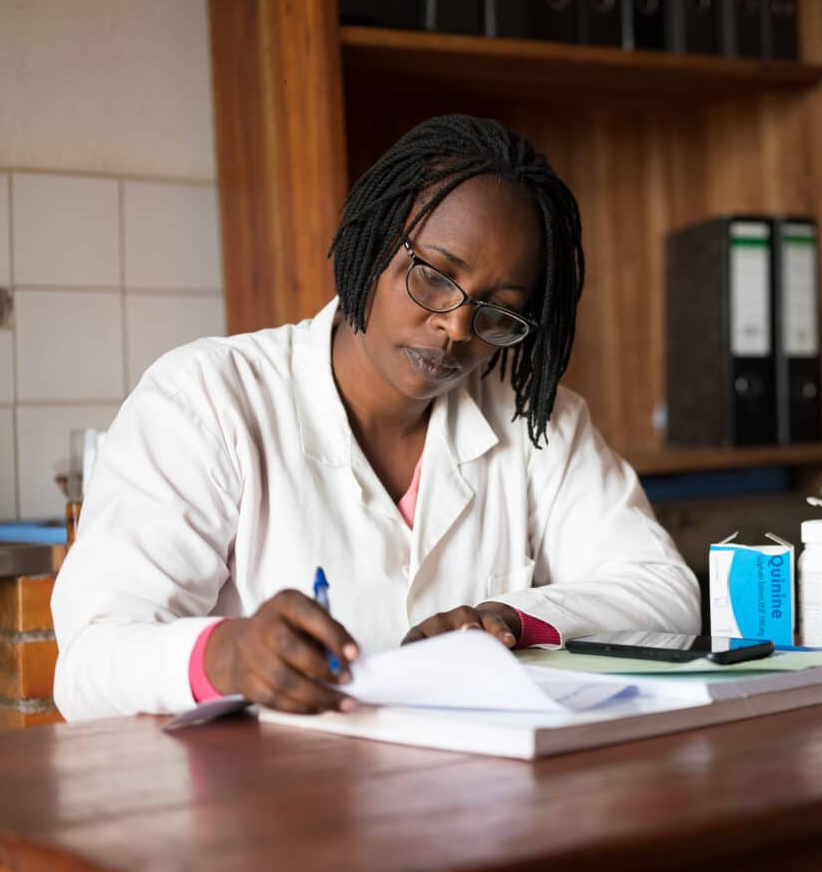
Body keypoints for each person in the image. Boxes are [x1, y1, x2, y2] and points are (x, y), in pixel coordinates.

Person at [51, 115, 701, 721]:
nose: (454, 326)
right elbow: (87, 666)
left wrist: (514, 618)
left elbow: (666, 595)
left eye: (497, 311)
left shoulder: (539, 421)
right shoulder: (207, 401)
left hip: (474, 809)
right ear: (373, 239)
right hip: (265, 816)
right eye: (435, 276)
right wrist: (225, 656)